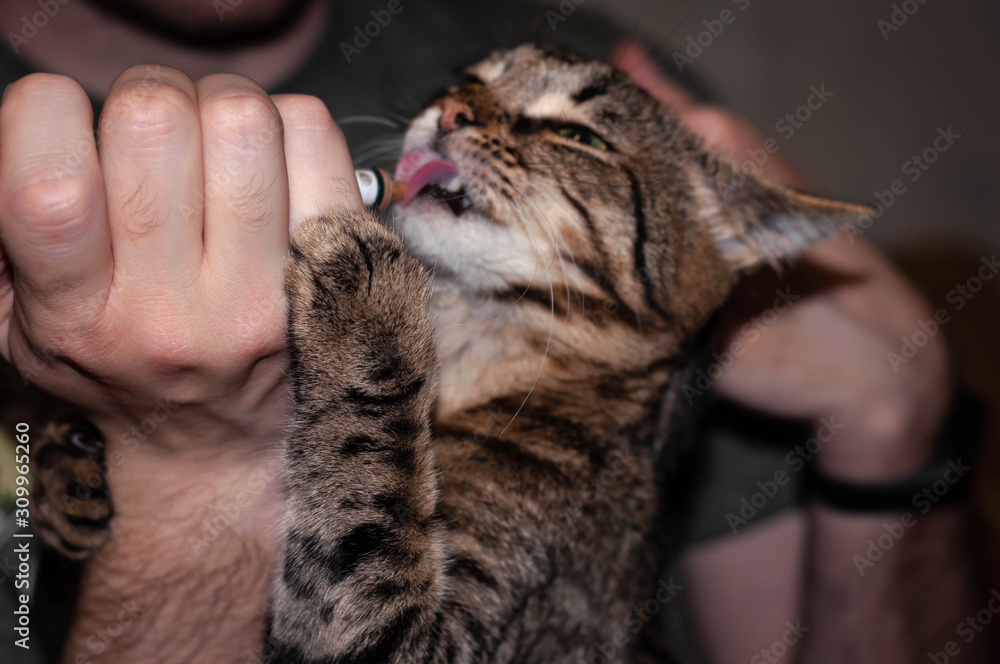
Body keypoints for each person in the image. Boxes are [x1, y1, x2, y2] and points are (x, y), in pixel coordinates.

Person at [0, 0, 984, 662]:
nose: (460, 112)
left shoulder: (574, 470)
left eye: (574, 131)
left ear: (707, 254)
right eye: (471, 88)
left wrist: (893, 415)